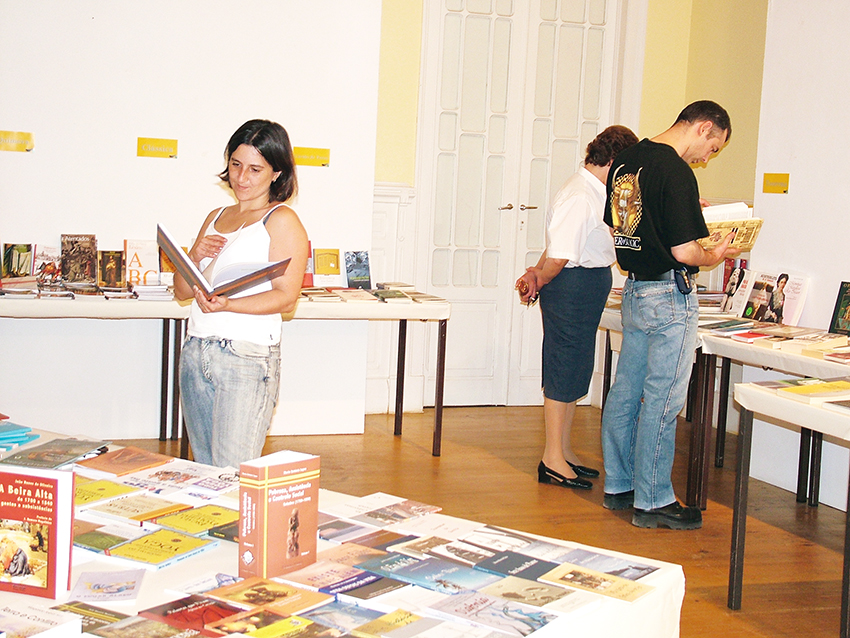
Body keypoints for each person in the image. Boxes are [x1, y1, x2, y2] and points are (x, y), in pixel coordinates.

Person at [601, 101, 740, 530]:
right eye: (712, 146)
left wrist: (677, 208)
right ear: (702, 127)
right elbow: (684, 252)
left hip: (637, 289)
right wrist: (714, 254)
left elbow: (621, 225)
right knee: (663, 399)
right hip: (669, 294)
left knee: (626, 392)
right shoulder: (677, 171)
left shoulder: (626, 160)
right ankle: (654, 500)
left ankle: (620, 485)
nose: (707, 157)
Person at [175, 119, 309, 468]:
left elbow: (286, 297)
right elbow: (180, 290)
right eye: (235, 165)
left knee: (234, 472)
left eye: (254, 169)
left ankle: (240, 525)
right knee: (204, 471)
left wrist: (229, 304)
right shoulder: (215, 215)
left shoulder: (282, 220)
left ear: (276, 173)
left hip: (245, 357)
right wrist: (195, 255)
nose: (241, 178)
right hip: (196, 349)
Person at [515, 125, 639, 490]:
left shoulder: (594, 192)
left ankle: (564, 451)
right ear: (612, 160)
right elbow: (561, 255)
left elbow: (557, 247)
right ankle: (552, 458)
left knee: (576, 366)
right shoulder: (580, 195)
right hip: (571, 285)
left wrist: (538, 274)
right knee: (563, 365)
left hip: (583, 284)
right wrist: (541, 277)